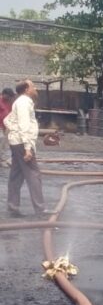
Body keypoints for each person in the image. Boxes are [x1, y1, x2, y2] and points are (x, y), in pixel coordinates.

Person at [4, 80, 45, 217]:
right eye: (33, 86)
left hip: (16, 142)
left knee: (16, 175)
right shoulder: (24, 103)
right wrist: (27, 148)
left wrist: (13, 130)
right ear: (27, 89)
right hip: (22, 144)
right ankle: (40, 209)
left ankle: (13, 207)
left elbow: (7, 120)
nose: (35, 88)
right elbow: (24, 126)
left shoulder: (20, 102)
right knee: (34, 174)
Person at [0, 87, 14, 167]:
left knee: (5, 143)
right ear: (4, 94)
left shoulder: (9, 102)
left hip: (5, 126)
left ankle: (2, 159)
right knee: (1, 138)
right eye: (8, 96)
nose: (9, 98)